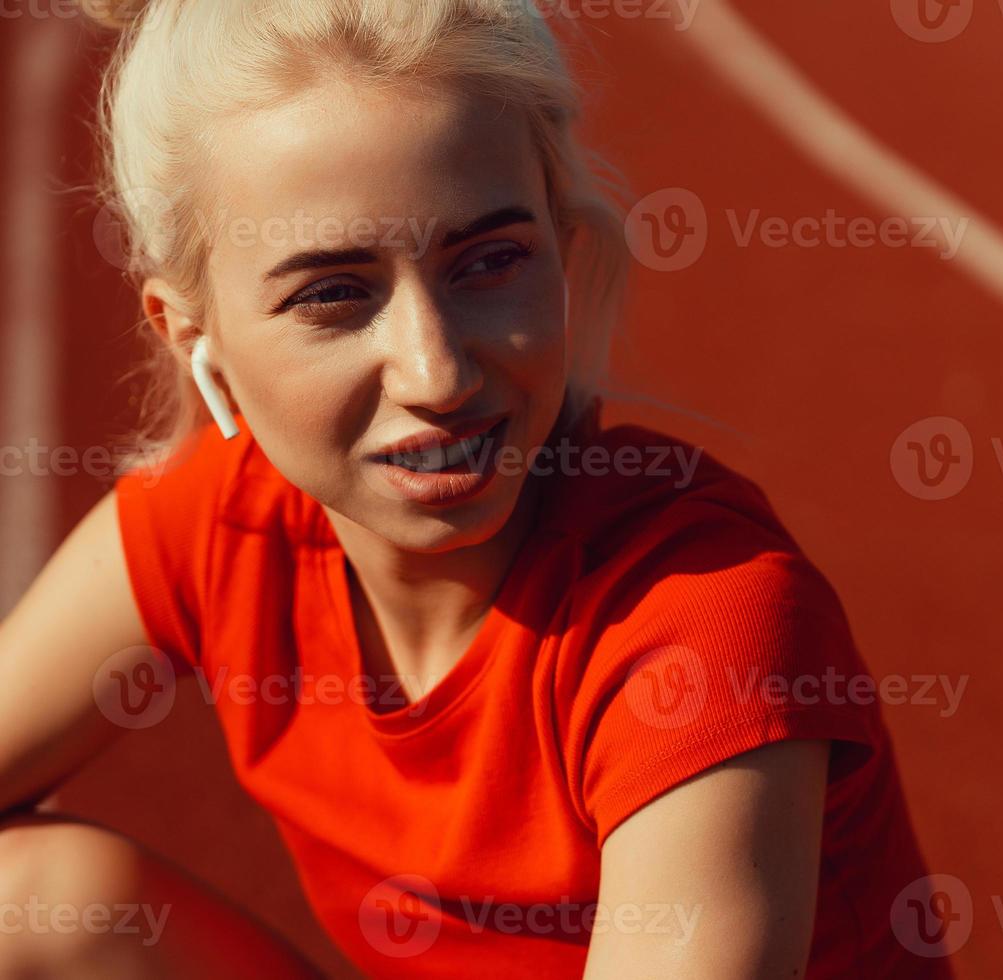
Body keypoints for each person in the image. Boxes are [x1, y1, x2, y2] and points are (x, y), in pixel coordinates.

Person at [0, 0, 950, 976]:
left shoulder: (698, 618)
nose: (437, 372)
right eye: (333, 293)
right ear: (189, 335)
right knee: (25, 901)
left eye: (490, 261)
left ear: (564, 249)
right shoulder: (220, 523)